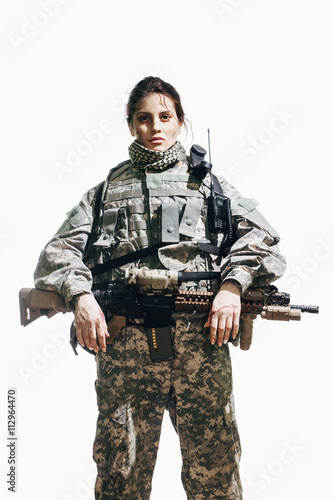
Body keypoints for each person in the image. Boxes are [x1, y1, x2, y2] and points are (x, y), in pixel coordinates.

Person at [34, 76, 286, 500]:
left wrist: (232, 286)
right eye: (144, 118)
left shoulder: (211, 187)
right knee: (121, 476)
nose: (155, 127)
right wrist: (81, 298)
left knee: (216, 477)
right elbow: (56, 254)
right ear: (131, 124)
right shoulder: (105, 193)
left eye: (165, 117)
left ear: (180, 122)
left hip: (202, 348)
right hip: (126, 352)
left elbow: (267, 245)